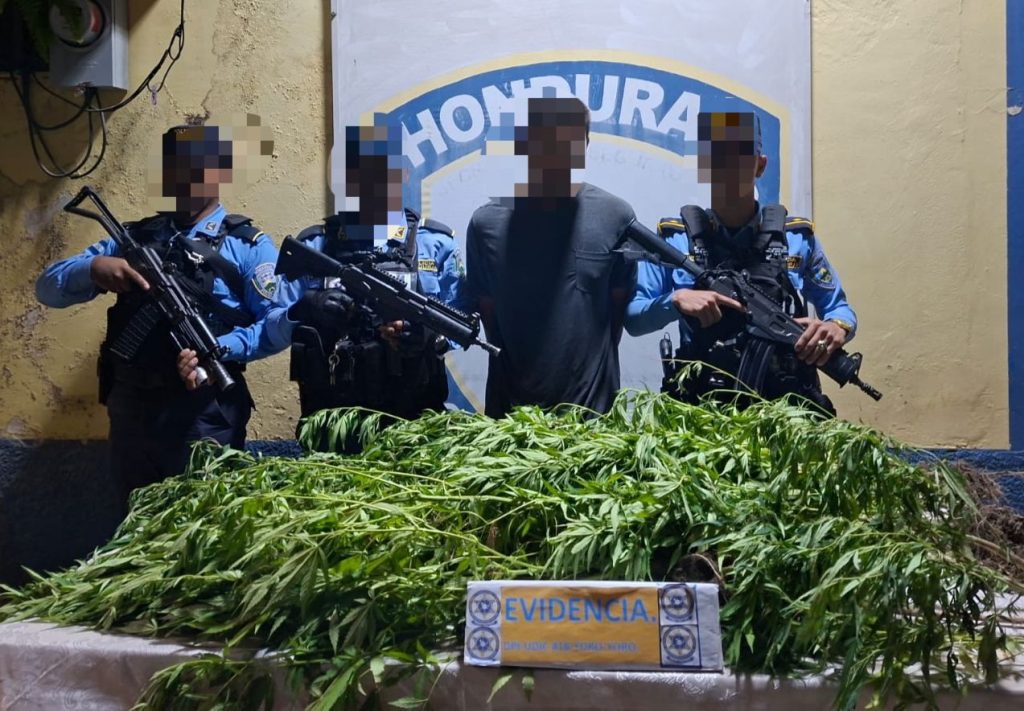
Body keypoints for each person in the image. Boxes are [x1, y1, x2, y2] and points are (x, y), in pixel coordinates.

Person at [35, 124, 291, 509]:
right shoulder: (134, 239)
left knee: (202, 525)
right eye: (175, 164)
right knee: (136, 521)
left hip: (203, 411)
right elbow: (47, 288)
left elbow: (278, 323)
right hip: (132, 411)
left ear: (220, 171)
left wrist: (220, 349)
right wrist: (93, 269)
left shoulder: (246, 246)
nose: (185, 175)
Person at [625, 111, 857, 413]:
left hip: (785, 413)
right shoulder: (675, 240)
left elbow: (839, 308)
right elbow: (634, 318)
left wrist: (835, 328)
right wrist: (676, 300)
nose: (729, 166)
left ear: (760, 165)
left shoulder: (795, 238)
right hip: (700, 413)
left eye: (741, 155)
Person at [275, 124, 465, 450]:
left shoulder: (435, 245)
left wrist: (431, 336)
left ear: (404, 173)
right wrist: (303, 309)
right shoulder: (314, 246)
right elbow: (271, 329)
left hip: (414, 433)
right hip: (331, 430)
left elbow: (462, 320)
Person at [464, 95, 636, 418]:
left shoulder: (616, 217)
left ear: (585, 145)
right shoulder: (486, 224)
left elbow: (616, 313)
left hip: (594, 422)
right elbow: (488, 314)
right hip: (510, 424)